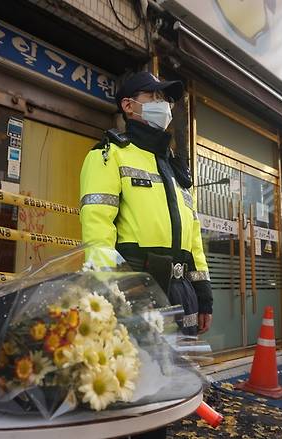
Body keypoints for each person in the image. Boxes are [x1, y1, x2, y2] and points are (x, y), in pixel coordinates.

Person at [79, 71, 213, 338]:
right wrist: (113, 293)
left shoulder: (177, 169)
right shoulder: (109, 155)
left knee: (180, 373)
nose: (162, 105)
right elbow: (97, 231)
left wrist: (203, 295)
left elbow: (194, 239)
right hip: (137, 288)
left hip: (183, 292)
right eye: (153, 97)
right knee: (141, 374)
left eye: (165, 99)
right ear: (128, 105)